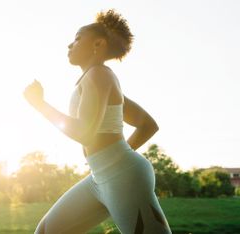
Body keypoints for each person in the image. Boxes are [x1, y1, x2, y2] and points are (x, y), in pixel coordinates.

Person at [23, 9, 172, 234]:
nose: (69, 45)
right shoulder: (98, 78)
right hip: (100, 175)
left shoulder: (99, 75)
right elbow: (147, 124)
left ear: (98, 44)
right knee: (46, 230)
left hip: (122, 175)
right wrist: (111, 160)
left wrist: (39, 104)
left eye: (77, 39)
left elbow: (85, 133)